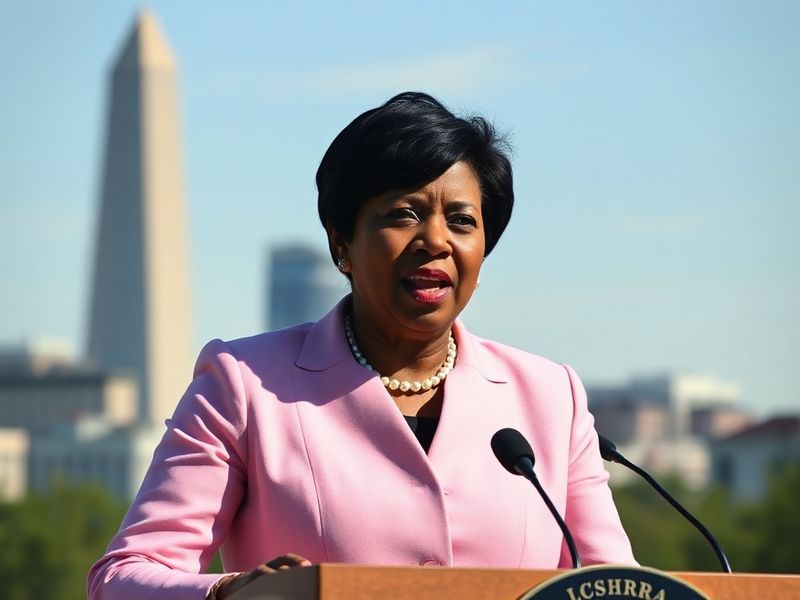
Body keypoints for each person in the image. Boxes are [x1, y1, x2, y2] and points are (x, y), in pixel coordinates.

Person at [88, 92, 635, 600]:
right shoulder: (243, 384)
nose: (436, 241)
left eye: (462, 221)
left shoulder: (551, 397)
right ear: (341, 240)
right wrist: (230, 592)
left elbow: (618, 584)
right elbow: (122, 577)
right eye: (403, 214)